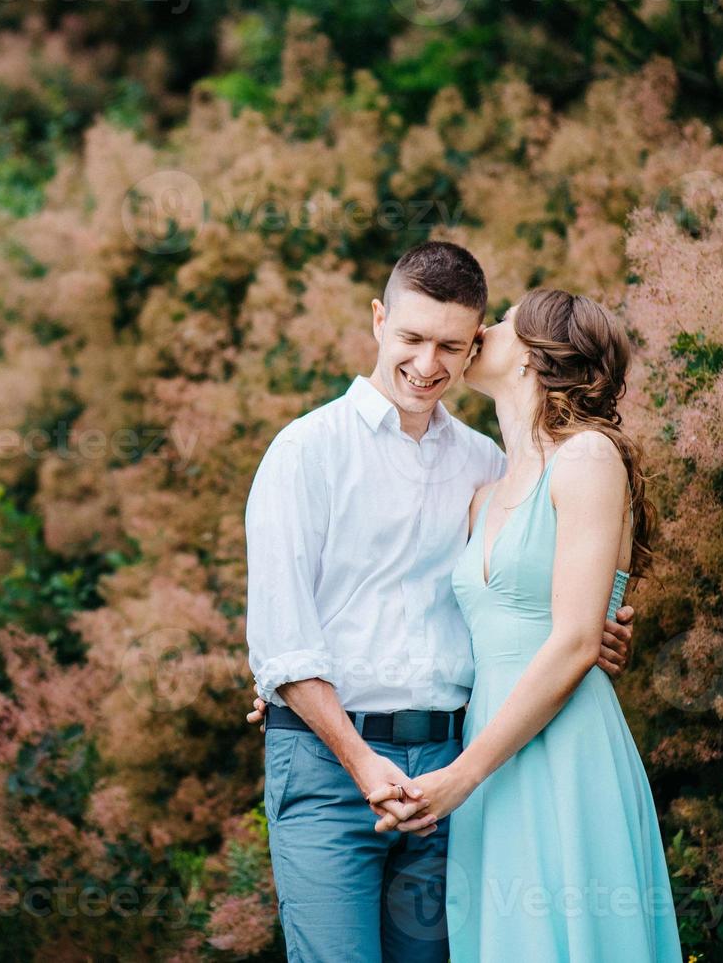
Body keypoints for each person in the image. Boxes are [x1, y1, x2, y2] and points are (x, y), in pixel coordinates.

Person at [243, 242, 637, 963]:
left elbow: (525, 604)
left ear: (475, 345)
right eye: (412, 339)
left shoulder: (488, 468)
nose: (428, 365)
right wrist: (346, 746)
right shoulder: (306, 451)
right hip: (332, 767)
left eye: (453, 346)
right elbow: (283, 640)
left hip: (452, 760)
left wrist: (600, 627)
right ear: (377, 320)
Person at [362, 288, 683, 961]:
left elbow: (572, 640)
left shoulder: (590, 458)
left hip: (563, 751)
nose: (483, 331)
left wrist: (459, 777)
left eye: (502, 323)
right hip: (491, 758)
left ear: (536, 358)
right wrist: (285, 676)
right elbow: (402, 608)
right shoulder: (483, 495)